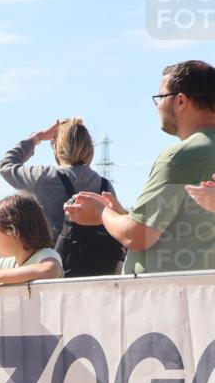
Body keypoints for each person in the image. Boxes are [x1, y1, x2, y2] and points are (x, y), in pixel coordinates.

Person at [65, 60, 215, 274]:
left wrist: (101, 213)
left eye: (161, 98)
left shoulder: (179, 156)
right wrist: (123, 215)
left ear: (180, 101)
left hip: (167, 297)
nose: (158, 106)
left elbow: (137, 235)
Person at [0, 117, 124, 277]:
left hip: (55, 269)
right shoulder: (105, 186)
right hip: (98, 271)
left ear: (57, 147)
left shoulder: (43, 177)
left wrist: (37, 138)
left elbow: (5, 165)